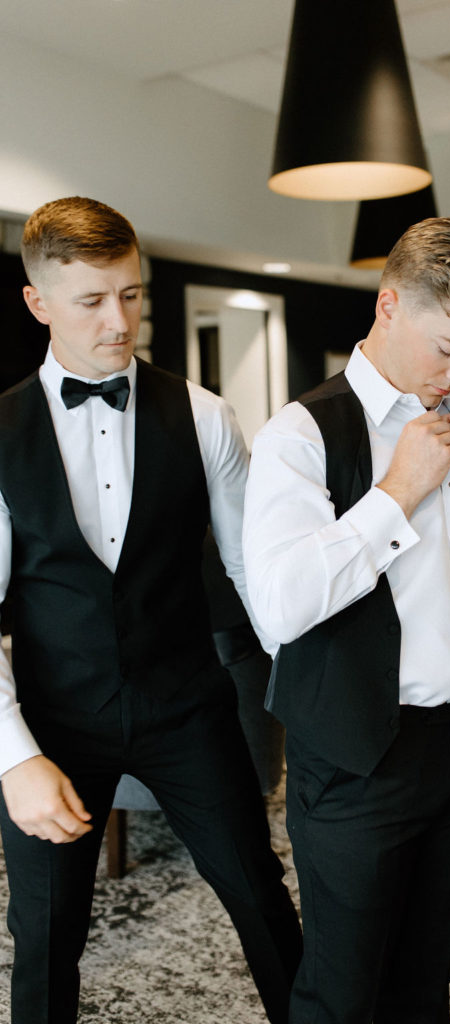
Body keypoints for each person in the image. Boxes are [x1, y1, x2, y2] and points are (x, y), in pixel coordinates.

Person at [243, 215, 450, 1024]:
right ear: (389, 305)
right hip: (359, 756)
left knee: (428, 978)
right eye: (447, 348)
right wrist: (396, 493)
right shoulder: (299, 434)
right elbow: (280, 607)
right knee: (342, 990)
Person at [0, 196, 302, 1024]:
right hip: (54, 724)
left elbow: (254, 572)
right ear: (38, 303)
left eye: (130, 294)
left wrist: (309, 687)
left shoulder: (205, 415)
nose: (118, 319)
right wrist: (10, 755)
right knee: (47, 930)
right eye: (92, 300)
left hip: (189, 708)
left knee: (258, 892)